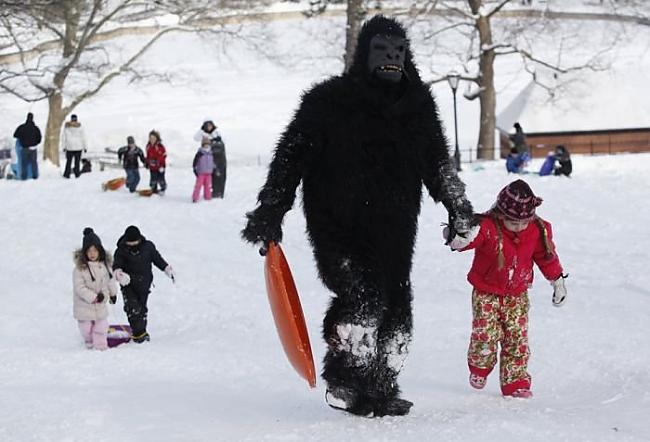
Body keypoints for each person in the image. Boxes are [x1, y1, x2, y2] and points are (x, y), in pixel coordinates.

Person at [242, 15, 474, 417]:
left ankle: (381, 388)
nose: (391, 58)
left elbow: (436, 163)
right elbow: (290, 157)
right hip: (338, 225)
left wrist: (458, 207)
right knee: (362, 298)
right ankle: (347, 381)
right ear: (363, 54)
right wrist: (270, 210)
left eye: (399, 50)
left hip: (395, 227)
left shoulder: (416, 107)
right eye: (382, 50)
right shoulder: (328, 102)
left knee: (397, 306)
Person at [445, 179, 568, 399]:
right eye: (513, 223)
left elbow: (546, 257)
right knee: (486, 335)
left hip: (517, 296)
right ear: (500, 214)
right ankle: (480, 367)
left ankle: (516, 381)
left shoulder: (537, 230)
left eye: (524, 222)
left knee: (517, 339)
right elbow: (467, 241)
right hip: (486, 294)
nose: (520, 227)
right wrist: (457, 237)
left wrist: (557, 281)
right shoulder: (487, 227)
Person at [112, 226, 175, 343]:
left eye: (134, 242)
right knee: (132, 308)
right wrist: (118, 273)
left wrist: (166, 268)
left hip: (144, 283)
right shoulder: (121, 250)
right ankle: (138, 333)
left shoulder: (148, 247)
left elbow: (157, 259)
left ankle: (141, 332)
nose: (132, 245)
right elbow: (117, 264)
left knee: (141, 309)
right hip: (128, 284)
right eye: (129, 243)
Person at [72, 228, 118, 351]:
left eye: (95, 250)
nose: (92, 254)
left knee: (101, 326)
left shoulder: (105, 266)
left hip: (100, 305)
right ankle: (89, 341)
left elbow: (110, 280)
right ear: (85, 253)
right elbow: (79, 287)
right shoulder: (80, 269)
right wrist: (93, 297)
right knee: (86, 327)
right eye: (89, 251)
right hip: (84, 306)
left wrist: (113, 294)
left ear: (100, 251)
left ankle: (100, 345)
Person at [194, 118, 226, 198]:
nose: (209, 127)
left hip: (218, 158)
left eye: (210, 125)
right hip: (207, 158)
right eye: (207, 125)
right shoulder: (203, 133)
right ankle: (208, 193)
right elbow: (196, 138)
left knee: (219, 176)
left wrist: (216, 140)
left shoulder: (217, 132)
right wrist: (201, 130)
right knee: (210, 178)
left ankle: (218, 192)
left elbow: (223, 142)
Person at [13, 112, 42, 180]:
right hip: (33, 148)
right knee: (34, 162)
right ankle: (35, 176)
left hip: (24, 148)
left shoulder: (22, 127)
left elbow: (15, 135)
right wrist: (36, 143)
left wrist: (22, 138)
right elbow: (39, 138)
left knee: (24, 163)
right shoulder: (36, 128)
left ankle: (24, 177)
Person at [61, 114, 88, 179]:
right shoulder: (80, 127)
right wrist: (85, 147)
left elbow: (63, 137)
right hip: (78, 147)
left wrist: (64, 146)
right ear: (76, 119)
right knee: (77, 162)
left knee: (68, 161)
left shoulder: (67, 127)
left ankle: (67, 174)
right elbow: (83, 137)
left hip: (69, 147)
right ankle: (77, 174)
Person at [192, 135, 216, 202]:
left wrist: (214, 168)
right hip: (201, 173)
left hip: (209, 173)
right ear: (202, 145)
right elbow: (195, 162)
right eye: (205, 144)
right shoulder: (200, 153)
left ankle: (208, 197)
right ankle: (195, 197)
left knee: (208, 186)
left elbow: (213, 162)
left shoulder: (211, 153)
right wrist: (195, 170)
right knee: (198, 186)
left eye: (208, 144)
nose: (206, 146)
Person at [145, 130, 167, 195]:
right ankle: (153, 189)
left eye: (153, 138)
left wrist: (157, 161)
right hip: (152, 166)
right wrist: (147, 162)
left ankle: (163, 188)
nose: (152, 140)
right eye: (150, 138)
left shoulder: (160, 146)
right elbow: (148, 156)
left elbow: (163, 155)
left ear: (156, 138)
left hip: (160, 166)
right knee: (153, 179)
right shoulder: (148, 146)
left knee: (160, 179)